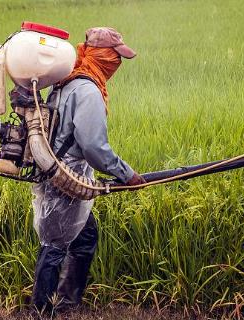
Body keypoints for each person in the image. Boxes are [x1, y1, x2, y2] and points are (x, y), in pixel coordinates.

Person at [21, 27, 145, 313]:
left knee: (84, 236)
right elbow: (93, 146)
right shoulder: (88, 89)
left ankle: (66, 304)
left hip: (58, 173)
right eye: (115, 57)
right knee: (54, 245)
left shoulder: (66, 81)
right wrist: (126, 174)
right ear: (102, 56)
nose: (117, 63)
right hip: (66, 179)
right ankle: (42, 311)